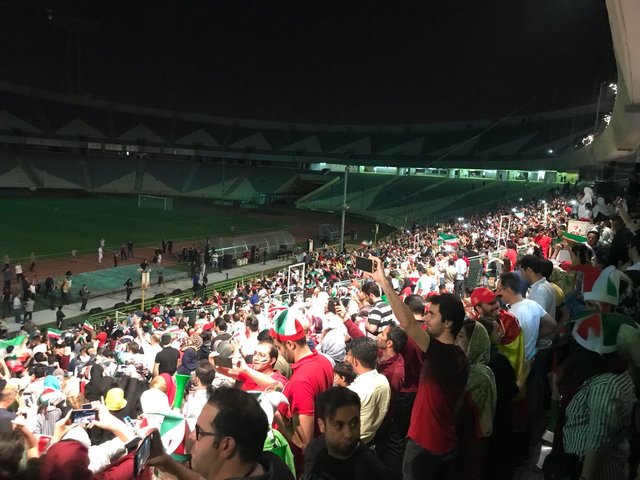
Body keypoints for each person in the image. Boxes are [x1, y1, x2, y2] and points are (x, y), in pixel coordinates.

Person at [367, 256, 469, 480]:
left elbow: (408, 323)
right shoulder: (459, 357)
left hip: (427, 445)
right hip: (443, 439)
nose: (426, 318)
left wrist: (384, 282)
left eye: (432, 314)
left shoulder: (442, 354)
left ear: (448, 322)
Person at [148, 386, 295, 479]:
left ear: (226, 446)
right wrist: (167, 464)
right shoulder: (272, 464)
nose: (192, 436)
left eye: (199, 431)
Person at [270, 308, 334, 472]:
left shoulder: (301, 381)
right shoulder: (324, 361)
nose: (280, 354)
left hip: (303, 466)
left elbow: (304, 443)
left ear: (290, 344)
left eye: (279, 347)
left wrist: (275, 413)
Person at [303, 387, 392, 480]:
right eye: (339, 426)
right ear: (322, 425)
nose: (348, 434)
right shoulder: (313, 449)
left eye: (354, 424)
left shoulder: (374, 472)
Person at [345, 337, 390, 447]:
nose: (347, 358)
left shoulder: (353, 391)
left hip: (352, 446)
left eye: (349, 355)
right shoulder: (384, 381)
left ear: (355, 360)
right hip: (371, 442)